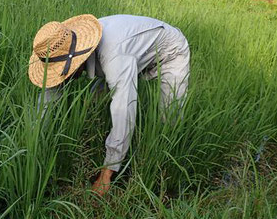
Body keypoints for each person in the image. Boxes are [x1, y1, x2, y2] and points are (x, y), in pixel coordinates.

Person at [28, 14, 190, 196]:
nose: (61, 78)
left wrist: (107, 174)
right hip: (128, 50)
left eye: (63, 72)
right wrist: (33, 142)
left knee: (168, 118)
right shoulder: (59, 48)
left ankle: (161, 173)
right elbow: (47, 100)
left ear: (78, 59)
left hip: (170, 51)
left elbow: (125, 107)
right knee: (95, 103)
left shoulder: (114, 54)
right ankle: (100, 142)